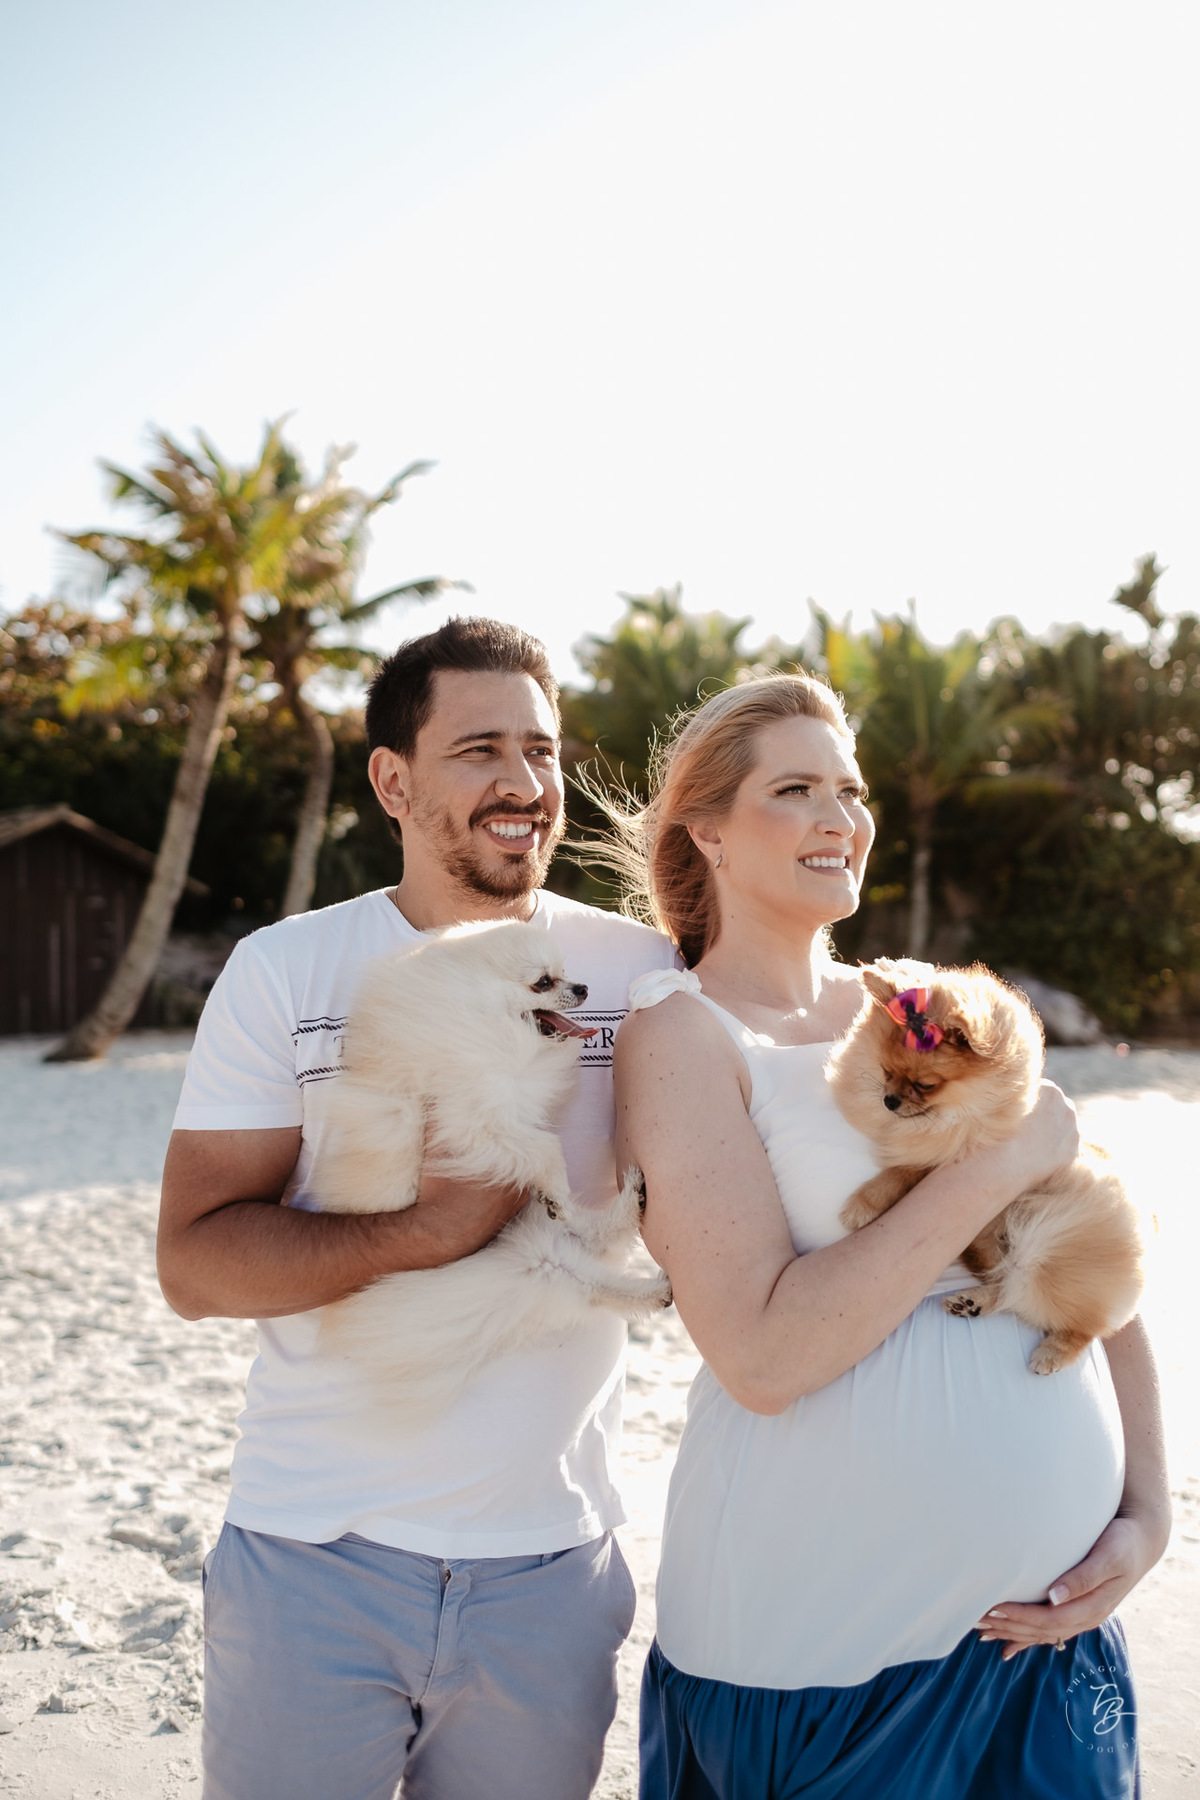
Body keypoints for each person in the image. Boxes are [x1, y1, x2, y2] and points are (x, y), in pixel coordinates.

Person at [611, 673, 1170, 1799]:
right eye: (796, 789)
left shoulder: (922, 1005)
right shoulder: (683, 1038)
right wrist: (998, 1163)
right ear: (706, 829)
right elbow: (765, 1357)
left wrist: (1147, 1513)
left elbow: (1095, 1237)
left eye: (852, 790)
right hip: (827, 1663)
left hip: (1045, 1642)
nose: (841, 818)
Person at [157, 617, 678, 1800]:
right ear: (393, 782)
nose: (524, 783)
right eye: (480, 749)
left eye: (541, 750)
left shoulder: (640, 974)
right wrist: (429, 1228)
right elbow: (194, 1266)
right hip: (313, 1558)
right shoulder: (286, 970)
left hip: (550, 1571)